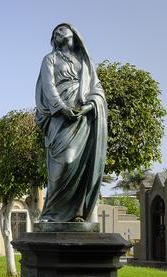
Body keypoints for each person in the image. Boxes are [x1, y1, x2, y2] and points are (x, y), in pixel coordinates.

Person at [35, 22, 108, 223]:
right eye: (55, 32)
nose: (58, 31)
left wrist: (90, 106)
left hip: (82, 118)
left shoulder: (86, 61)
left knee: (80, 166)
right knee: (65, 162)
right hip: (60, 118)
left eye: (62, 28)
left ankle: (76, 214)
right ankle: (51, 214)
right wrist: (61, 107)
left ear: (74, 34)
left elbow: (97, 89)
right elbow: (48, 87)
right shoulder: (50, 59)